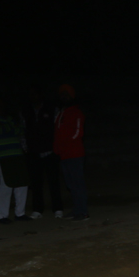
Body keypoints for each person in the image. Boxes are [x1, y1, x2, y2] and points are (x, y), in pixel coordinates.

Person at [20, 85, 64, 219]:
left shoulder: (52, 109)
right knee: (36, 183)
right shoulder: (25, 111)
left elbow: (59, 128)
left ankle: (58, 208)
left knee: (53, 181)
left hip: (50, 152)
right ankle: (37, 209)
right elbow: (23, 131)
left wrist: (57, 147)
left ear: (41, 95)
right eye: (30, 94)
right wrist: (26, 148)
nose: (32, 97)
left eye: (35, 94)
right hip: (33, 153)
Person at [0, 98, 31, 224]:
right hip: (4, 156)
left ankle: (20, 213)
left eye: (1, 104)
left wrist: (9, 127)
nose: (0, 107)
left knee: (22, 183)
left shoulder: (11, 119)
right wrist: (11, 128)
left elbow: (20, 130)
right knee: (6, 185)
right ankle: (2, 215)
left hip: (17, 154)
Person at [54, 84, 88, 220]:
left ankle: (83, 212)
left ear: (72, 96)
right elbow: (57, 133)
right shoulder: (61, 113)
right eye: (62, 94)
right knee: (71, 185)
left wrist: (66, 144)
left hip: (74, 154)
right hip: (64, 155)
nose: (64, 97)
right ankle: (77, 210)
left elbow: (78, 133)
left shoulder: (76, 112)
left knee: (77, 183)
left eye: (66, 94)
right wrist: (58, 149)